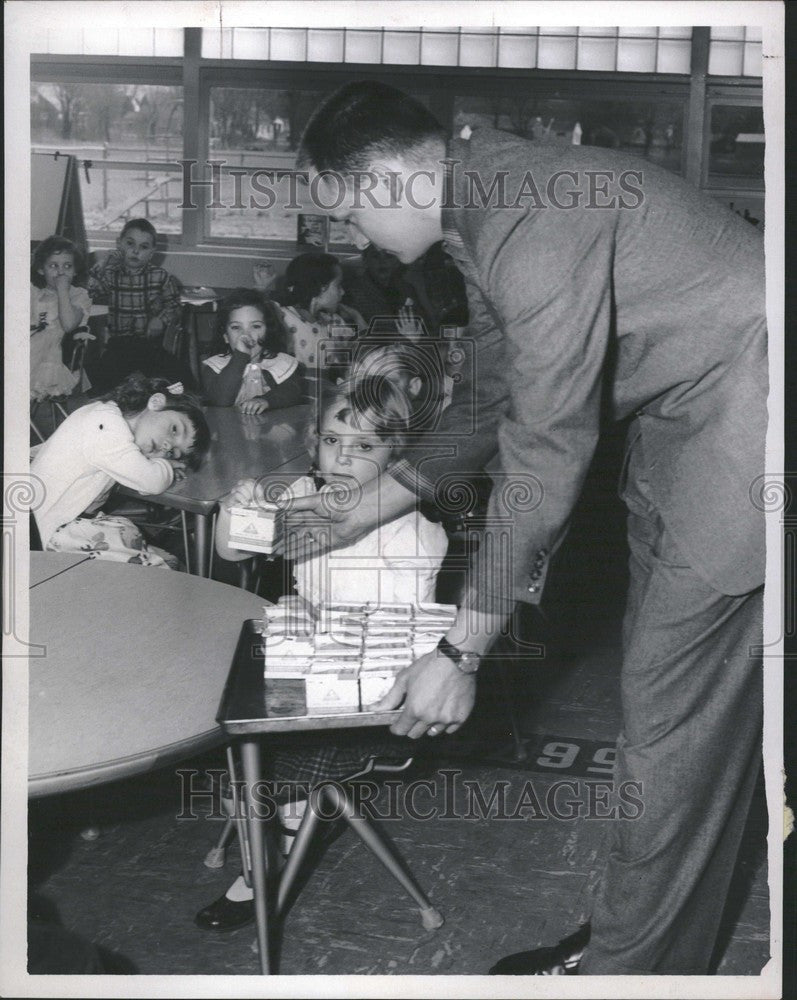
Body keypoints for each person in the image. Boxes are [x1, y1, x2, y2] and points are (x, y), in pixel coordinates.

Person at [275, 81, 768, 975]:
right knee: (683, 731)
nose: (351, 238)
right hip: (690, 427)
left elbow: (542, 457)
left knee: (667, 726)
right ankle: (646, 942)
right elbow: (493, 393)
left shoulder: (527, 223)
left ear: (388, 182)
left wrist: (460, 652)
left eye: (347, 213)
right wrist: (361, 506)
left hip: (744, 432)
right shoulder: (488, 197)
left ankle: (629, 973)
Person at [195, 375, 448, 931]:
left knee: (259, 758)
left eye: (365, 446)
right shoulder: (310, 501)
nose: (342, 458)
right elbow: (233, 549)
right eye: (332, 440)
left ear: (399, 457)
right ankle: (272, 823)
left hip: (371, 697)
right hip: (308, 673)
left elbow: (398, 641)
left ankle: (270, 855)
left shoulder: (413, 533)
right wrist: (241, 509)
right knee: (233, 724)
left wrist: (317, 623)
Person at [31, 374, 210, 566]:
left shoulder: (112, 421)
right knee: (153, 567)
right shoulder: (106, 424)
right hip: (43, 533)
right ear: (156, 402)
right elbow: (151, 482)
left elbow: (140, 482)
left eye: (173, 453)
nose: (167, 446)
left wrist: (156, 464)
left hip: (59, 524)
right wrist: (165, 466)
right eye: (174, 429)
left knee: (144, 554)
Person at [86, 218, 187, 393]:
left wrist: (160, 320)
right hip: (119, 345)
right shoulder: (110, 274)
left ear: (152, 252)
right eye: (130, 243)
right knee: (101, 384)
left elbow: (175, 307)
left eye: (144, 247)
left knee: (178, 378)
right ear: (119, 244)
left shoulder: (161, 276)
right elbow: (91, 292)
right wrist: (106, 261)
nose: (135, 251)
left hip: (149, 345)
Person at [200, 288, 304, 413]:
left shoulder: (281, 363)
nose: (246, 335)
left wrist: (266, 400)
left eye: (255, 326)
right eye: (236, 327)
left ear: (268, 332)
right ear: (226, 337)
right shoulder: (215, 366)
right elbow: (220, 400)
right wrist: (240, 357)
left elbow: (292, 392)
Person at [278, 252, 365, 374]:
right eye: (338, 285)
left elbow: (365, 354)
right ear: (321, 287)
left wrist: (358, 318)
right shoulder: (282, 317)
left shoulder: (335, 322)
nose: (343, 292)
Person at [30, 235, 93, 401]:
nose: (60, 271)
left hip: (54, 359)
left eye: (67, 266)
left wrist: (63, 290)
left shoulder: (79, 296)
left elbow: (68, 325)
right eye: (53, 265)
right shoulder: (35, 294)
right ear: (41, 269)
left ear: (75, 270)